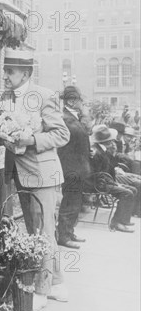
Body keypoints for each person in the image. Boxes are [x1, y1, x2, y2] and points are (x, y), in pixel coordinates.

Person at [0, 49, 70, 311]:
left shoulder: (44, 95)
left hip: (44, 174)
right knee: (37, 230)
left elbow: (62, 135)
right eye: (5, 71)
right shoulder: (5, 97)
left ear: (26, 74)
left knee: (43, 233)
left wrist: (32, 140)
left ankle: (41, 291)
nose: (5, 76)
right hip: (21, 174)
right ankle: (58, 284)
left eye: (11, 72)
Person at [56, 86, 93, 249]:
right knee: (70, 202)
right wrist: (85, 114)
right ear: (72, 101)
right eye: (80, 100)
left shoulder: (72, 118)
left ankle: (69, 232)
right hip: (71, 168)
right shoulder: (66, 119)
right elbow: (85, 131)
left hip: (76, 167)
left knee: (75, 202)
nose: (82, 103)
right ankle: (63, 236)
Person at [88, 124, 137, 232]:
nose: (112, 142)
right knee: (127, 193)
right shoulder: (96, 152)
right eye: (110, 140)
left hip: (104, 181)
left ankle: (123, 219)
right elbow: (98, 174)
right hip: (97, 184)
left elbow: (109, 169)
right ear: (106, 141)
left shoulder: (104, 150)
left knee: (133, 190)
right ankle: (116, 223)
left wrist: (114, 182)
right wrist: (114, 183)